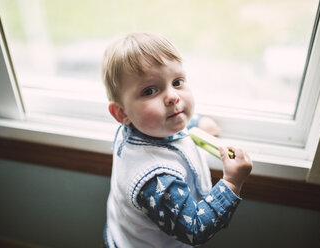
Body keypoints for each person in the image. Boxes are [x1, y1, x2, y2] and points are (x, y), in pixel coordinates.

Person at [101, 32, 252, 248]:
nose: (173, 96)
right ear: (121, 113)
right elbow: (195, 229)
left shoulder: (140, 126)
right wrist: (232, 182)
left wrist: (195, 122)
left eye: (177, 81)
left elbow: (161, 122)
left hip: (120, 234)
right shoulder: (156, 179)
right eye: (150, 90)